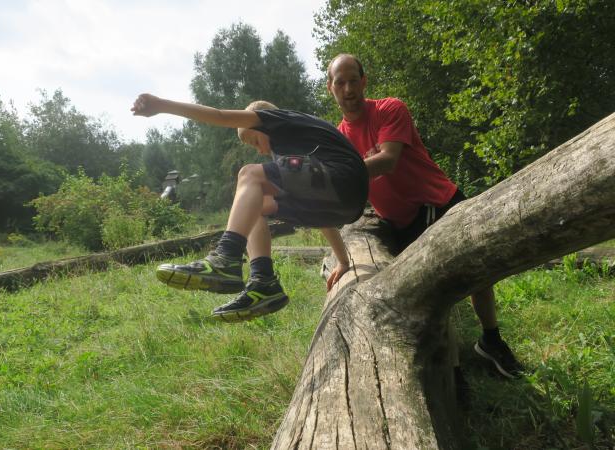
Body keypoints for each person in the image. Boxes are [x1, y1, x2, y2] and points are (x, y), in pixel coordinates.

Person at [325, 53, 524, 380]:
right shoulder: (338, 140)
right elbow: (342, 197)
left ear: (364, 81)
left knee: (474, 274)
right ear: (331, 87)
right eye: (340, 82)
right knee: (433, 289)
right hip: (399, 221)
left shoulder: (389, 109)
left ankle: (488, 342)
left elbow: (388, 160)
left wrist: (339, 173)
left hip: (436, 201)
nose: (348, 89)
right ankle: (454, 365)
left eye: (353, 80)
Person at [131, 94, 368, 322]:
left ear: (261, 121)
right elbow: (321, 215)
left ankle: (225, 257)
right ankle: (263, 282)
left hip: (344, 176)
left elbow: (220, 116)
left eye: (253, 140)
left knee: (249, 174)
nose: (260, 150)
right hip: (346, 200)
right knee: (255, 204)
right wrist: (343, 261)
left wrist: (161, 105)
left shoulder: (279, 119)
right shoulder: (296, 156)